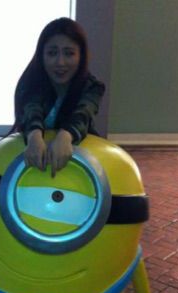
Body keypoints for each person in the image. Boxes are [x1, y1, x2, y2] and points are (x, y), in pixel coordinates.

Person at [8, 17, 105, 177]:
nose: (60, 62)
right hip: (32, 160)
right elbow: (32, 111)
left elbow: (83, 115)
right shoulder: (30, 82)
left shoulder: (93, 87)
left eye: (69, 53)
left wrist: (65, 136)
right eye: (52, 53)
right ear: (42, 55)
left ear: (81, 56)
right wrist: (34, 137)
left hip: (77, 162)